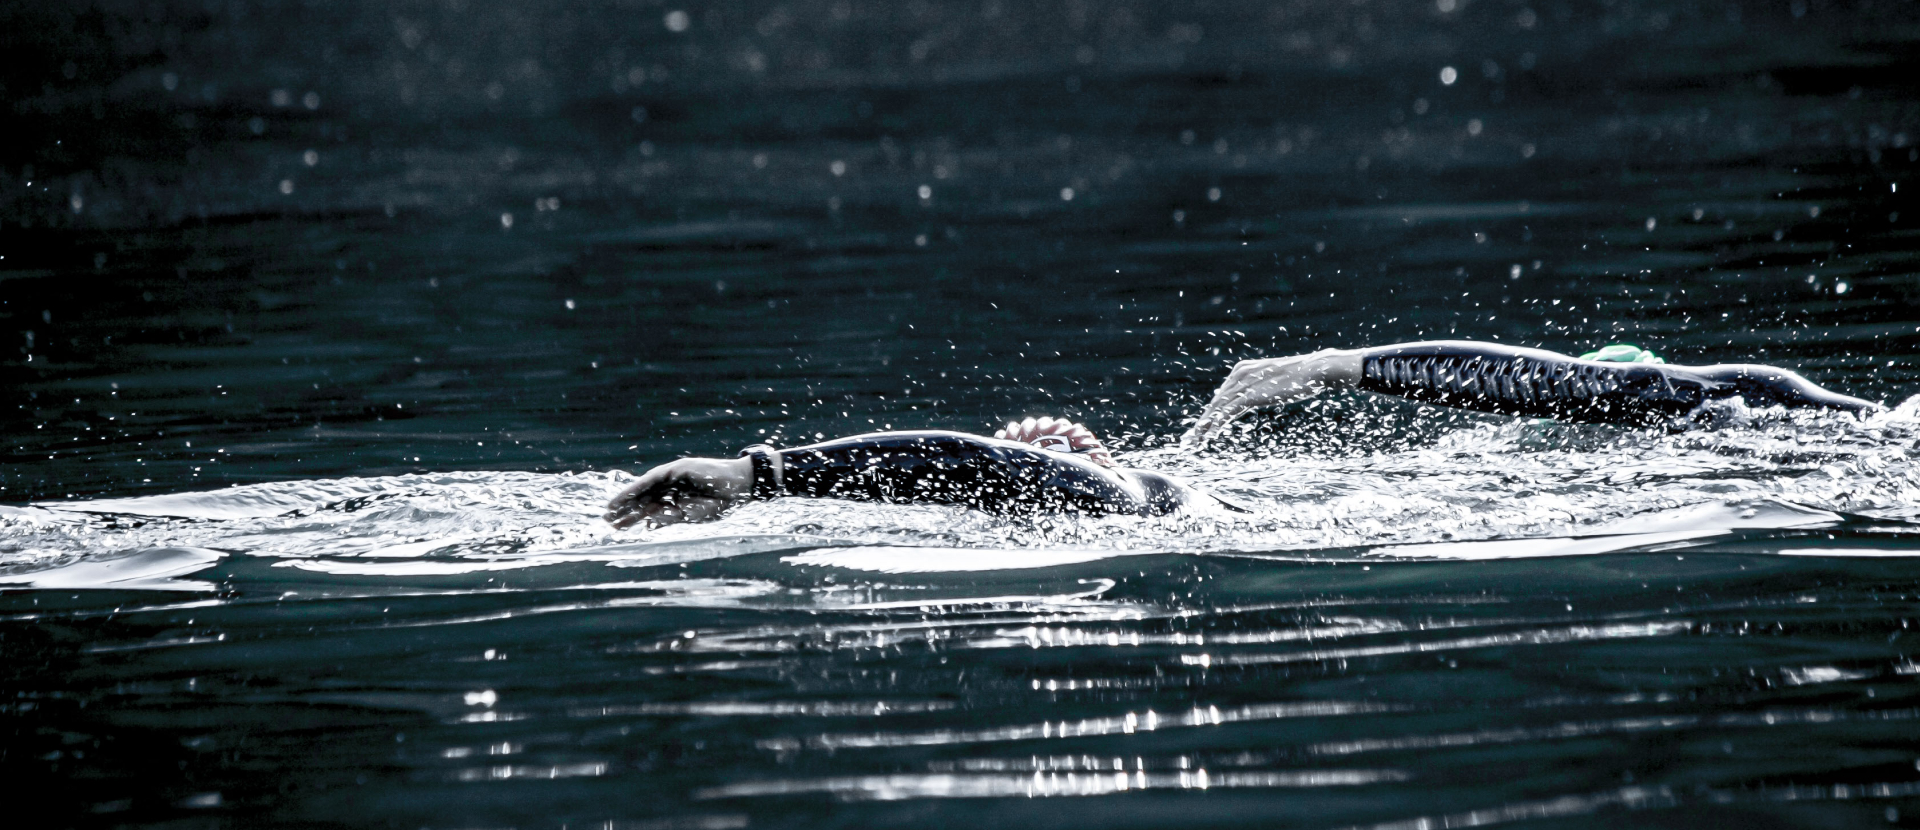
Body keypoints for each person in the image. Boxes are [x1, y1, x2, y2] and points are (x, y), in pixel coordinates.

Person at [605, 340, 1880, 528]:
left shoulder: (1736, 408)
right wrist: (769, 473)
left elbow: (1598, 390)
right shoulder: (1151, 497)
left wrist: (770, 471)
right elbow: (998, 467)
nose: (1050, 434)